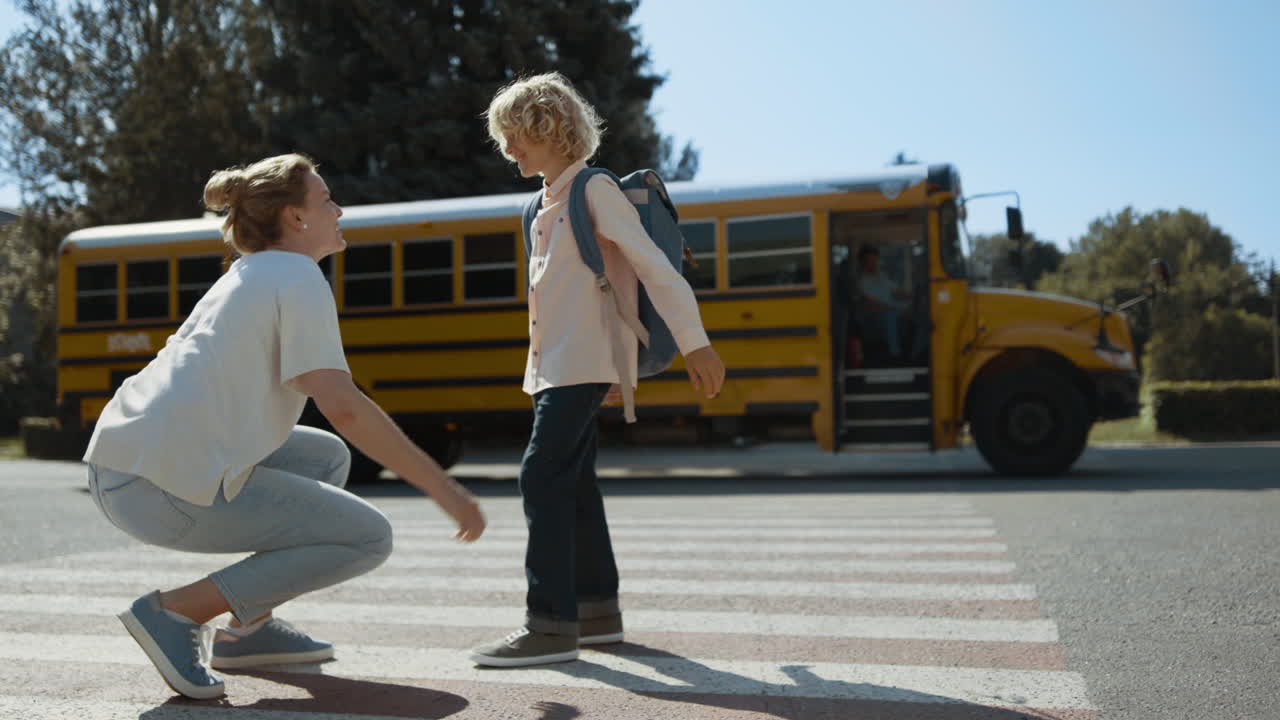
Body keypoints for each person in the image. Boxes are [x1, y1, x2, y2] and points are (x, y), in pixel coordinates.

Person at [82, 153, 486, 700]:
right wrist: (444, 487)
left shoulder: (253, 272)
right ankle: (175, 613)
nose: (340, 210)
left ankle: (248, 630)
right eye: (327, 201)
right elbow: (343, 406)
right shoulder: (296, 276)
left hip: (126, 466)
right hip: (155, 488)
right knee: (367, 536)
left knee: (326, 459)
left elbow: (333, 422)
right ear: (296, 218)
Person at [471, 72, 726, 668]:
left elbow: (658, 272)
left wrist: (697, 344)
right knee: (574, 482)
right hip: (555, 366)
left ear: (550, 130)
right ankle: (595, 611)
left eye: (516, 137)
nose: (508, 150)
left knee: (541, 476)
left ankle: (550, 624)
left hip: (581, 363)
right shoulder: (541, 202)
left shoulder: (594, 191)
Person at [854, 244, 912, 360]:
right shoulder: (861, 282)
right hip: (874, 316)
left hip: (892, 310)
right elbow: (871, 304)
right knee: (890, 316)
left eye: (875, 259)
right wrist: (897, 310)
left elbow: (896, 292)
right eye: (870, 260)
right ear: (863, 262)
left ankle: (916, 353)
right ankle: (895, 354)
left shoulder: (882, 276)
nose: (874, 263)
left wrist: (913, 296)